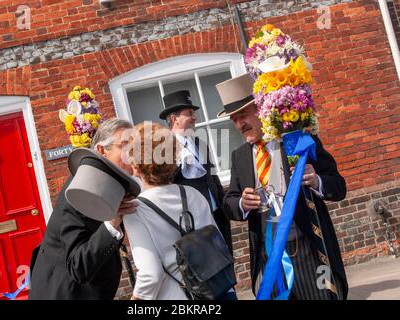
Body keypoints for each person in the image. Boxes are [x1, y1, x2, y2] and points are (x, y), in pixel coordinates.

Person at [217, 74, 348, 300]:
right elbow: (229, 203)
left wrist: (317, 181)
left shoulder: (297, 141)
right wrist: (241, 203)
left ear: (260, 109)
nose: (239, 125)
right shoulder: (239, 156)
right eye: (234, 120)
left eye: (243, 116)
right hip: (268, 260)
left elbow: (338, 186)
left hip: (310, 250)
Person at [123, 122, 237, 300]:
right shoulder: (194, 195)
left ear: (136, 166)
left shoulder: (136, 211)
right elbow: (218, 245)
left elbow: (150, 275)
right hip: (218, 292)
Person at [28, 118, 138, 300]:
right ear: (102, 150)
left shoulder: (111, 184)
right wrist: (112, 223)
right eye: (125, 145)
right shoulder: (81, 189)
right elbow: (78, 266)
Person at [159, 90, 233, 253]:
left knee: (227, 262)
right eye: (189, 114)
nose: (194, 117)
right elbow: (165, 184)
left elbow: (213, 178)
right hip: (193, 221)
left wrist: (223, 206)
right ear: (174, 119)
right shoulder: (165, 148)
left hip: (217, 215)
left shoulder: (200, 143)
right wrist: (179, 164)